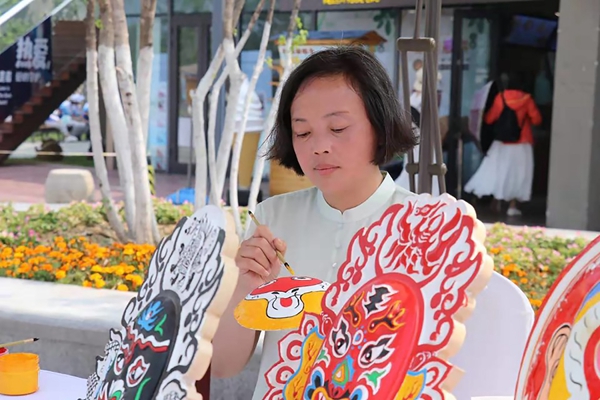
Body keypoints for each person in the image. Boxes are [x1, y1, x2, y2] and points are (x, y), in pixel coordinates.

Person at [210, 46, 417, 399]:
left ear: (380, 128)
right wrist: (245, 285)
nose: (319, 146)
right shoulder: (273, 218)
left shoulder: (422, 225)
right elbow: (223, 365)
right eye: (303, 133)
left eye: (338, 128)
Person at [464, 73, 542, 216]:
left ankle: (496, 202)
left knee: (499, 173)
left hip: (502, 143)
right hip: (522, 143)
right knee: (518, 175)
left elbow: (489, 119)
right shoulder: (527, 99)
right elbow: (537, 119)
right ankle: (512, 206)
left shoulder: (501, 97)